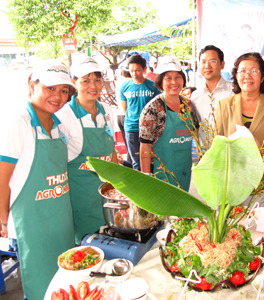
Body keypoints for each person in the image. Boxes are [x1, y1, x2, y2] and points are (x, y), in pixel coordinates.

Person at [0, 59, 75, 300]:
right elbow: (2, 180)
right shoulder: (18, 122)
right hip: (33, 224)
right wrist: (2, 221)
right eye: (50, 88)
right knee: (42, 288)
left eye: (63, 90)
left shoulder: (58, 125)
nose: (57, 96)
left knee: (65, 283)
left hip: (61, 218)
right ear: (33, 85)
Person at [56, 57, 118, 244]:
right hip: (81, 198)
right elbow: (58, 163)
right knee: (86, 247)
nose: (93, 86)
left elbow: (112, 151)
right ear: (74, 82)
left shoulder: (107, 110)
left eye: (97, 80)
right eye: (85, 80)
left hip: (106, 195)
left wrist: (119, 186)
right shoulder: (64, 117)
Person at [139, 57, 199, 192]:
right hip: (161, 174)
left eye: (177, 77)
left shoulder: (187, 105)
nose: (174, 82)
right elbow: (145, 145)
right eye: (168, 78)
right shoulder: (152, 109)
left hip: (183, 170)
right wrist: (146, 176)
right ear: (160, 81)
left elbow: (196, 133)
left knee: (181, 207)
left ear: (183, 79)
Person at [214, 52, 264, 150]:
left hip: (263, 164)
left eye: (253, 71)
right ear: (236, 75)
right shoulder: (224, 105)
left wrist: (260, 150)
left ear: (262, 77)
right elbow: (217, 142)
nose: (247, 76)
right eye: (243, 71)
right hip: (231, 164)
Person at [120, 54, 161, 170]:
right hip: (131, 128)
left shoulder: (152, 86)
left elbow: (159, 107)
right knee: (136, 161)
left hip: (150, 129)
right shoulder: (125, 87)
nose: (134, 74)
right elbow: (124, 108)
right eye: (131, 71)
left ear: (144, 69)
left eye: (137, 70)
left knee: (150, 160)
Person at [192, 45, 234, 146]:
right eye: (203, 62)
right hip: (205, 154)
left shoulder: (234, 91)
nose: (207, 66)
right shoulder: (195, 96)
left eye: (213, 61)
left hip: (230, 153)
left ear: (222, 64)